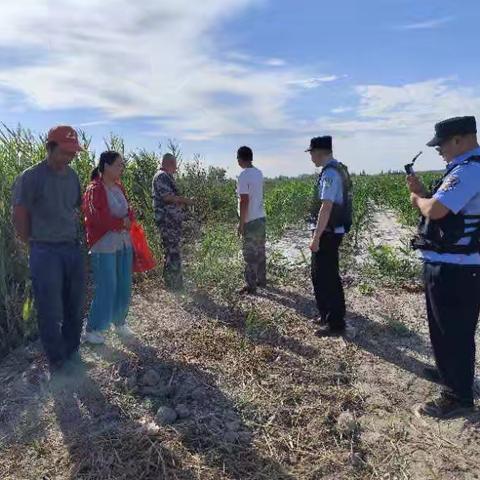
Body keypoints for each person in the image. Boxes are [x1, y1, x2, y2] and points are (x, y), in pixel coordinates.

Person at [407, 116, 480, 419]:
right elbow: (447, 209)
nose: (439, 151)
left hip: (457, 269)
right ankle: (450, 374)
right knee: (449, 330)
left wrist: (417, 199)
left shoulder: (469, 170)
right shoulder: (467, 169)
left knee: (453, 331)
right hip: (458, 265)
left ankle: (457, 397)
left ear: (459, 140)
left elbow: (436, 210)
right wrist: (425, 192)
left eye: (442, 145)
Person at [12, 125, 86, 371]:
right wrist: (31, 243)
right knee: (50, 309)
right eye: (65, 152)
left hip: (71, 248)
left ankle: (72, 352)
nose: (70, 157)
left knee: (75, 305)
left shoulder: (73, 176)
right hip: (45, 251)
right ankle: (57, 360)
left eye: (73, 152)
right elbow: (20, 214)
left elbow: (75, 208)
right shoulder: (31, 177)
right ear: (50, 148)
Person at [82, 151, 136, 345]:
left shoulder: (118, 187)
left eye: (122, 165)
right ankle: (93, 328)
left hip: (122, 243)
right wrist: (122, 223)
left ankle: (120, 322)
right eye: (118, 165)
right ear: (106, 166)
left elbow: (128, 210)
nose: (121, 168)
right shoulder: (94, 189)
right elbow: (96, 218)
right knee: (107, 286)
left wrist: (129, 218)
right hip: (103, 245)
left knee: (123, 283)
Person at [306, 136, 352, 337]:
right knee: (320, 274)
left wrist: (316, 238)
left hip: (328, 232)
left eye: (312, 153)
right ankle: (326, 315)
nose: (311, 158)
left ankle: (335, 322)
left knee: (327, 277)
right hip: (330, 231)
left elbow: (326, 207)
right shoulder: (336, 169)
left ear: (319, 152)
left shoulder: (330, 174)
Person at [152, 153, 193, 290]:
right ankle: (175, 286)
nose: (176, 167)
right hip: (167, 221)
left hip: (170, 221)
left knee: (171, 252)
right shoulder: (162, 176)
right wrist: (185, 200)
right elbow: (167, 197)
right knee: (172, 252)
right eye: (175, 164)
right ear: (169, 163)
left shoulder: (165, 176)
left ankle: (171, 284)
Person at [236, 146, 267, 295]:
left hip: (250, 220)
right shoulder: (259, 173)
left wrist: (241, 223)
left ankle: (251, 285)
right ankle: (262, 279)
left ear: (240, 159)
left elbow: (244, 201)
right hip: (261, 218)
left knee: (249, 254)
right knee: (260, 250)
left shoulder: (243, 176)